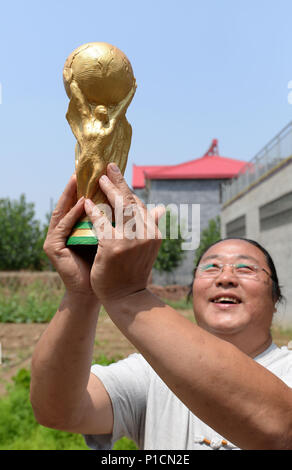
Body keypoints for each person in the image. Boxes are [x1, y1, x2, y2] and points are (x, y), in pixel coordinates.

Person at [30, 163, 292, 450]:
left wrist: (128, 295)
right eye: (210, 268)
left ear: (276, 297)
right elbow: (57, 410)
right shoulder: (151, 371)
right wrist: (81, 293)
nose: (225, 277)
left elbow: (281, 430)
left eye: (245, 269)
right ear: (193, 294)